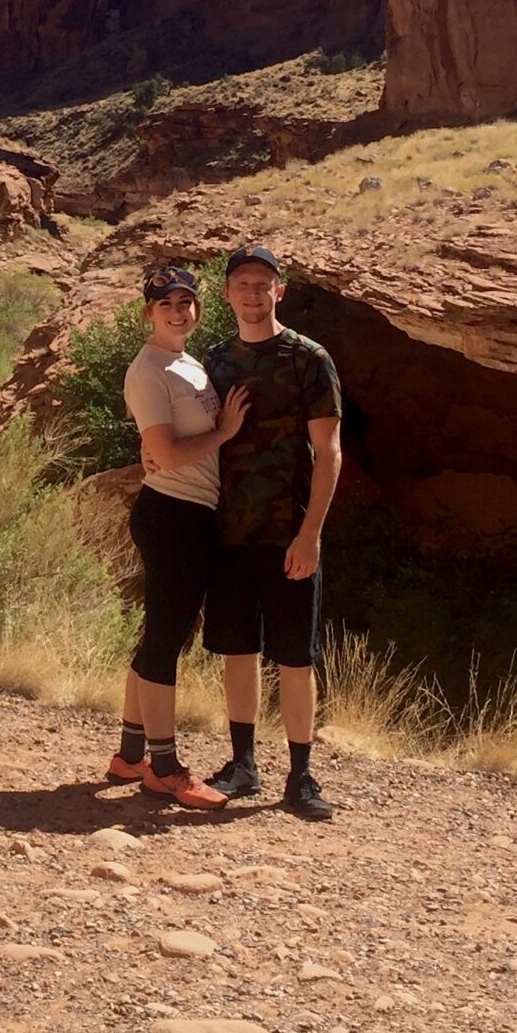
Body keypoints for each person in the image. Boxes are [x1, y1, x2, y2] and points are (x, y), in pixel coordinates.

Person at [199, 244, 342, 821]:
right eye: (242, 284)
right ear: (228, 293)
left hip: (289, 533)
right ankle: (242, 765)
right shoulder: (214, 361)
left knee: (294, 658)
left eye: (263, 284)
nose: (252, 294)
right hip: (228, 532)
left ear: (279, 291)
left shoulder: (308, 358)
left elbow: (329, 453)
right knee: (237, 649)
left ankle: (302, 776)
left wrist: (310, 535)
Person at [106, 265, 248, 807]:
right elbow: (163, 454)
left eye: (185, 301)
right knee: (166, 639)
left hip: (189, 512)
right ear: (148, 312)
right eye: (165, 303)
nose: (177, 310)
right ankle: (164, 768)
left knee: (160, 633)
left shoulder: (188, 362)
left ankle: (129, 755)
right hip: (172, 514)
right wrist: (226, 433)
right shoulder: (149, 370)